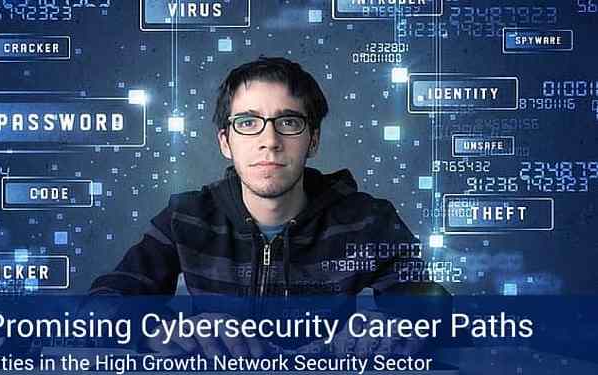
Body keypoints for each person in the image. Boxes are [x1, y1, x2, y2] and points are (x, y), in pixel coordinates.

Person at [88, 56, 447, 356]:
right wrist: (163, 331)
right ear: (225, 142)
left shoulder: (367, 220)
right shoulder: (186, 217)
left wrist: (402, 324)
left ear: (314, 140)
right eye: (248, 123)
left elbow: (438, 312)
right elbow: (99, 307)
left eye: (288, 122)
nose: (269, 141)